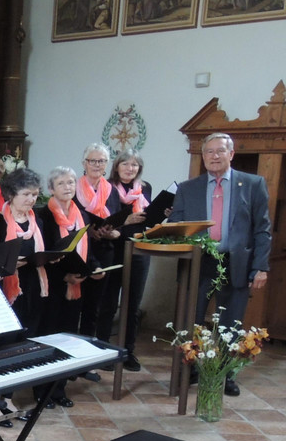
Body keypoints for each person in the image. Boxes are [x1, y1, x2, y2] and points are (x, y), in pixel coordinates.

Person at [170, 132, 271, 397]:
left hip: (236, 263)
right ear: (203, 156)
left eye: (220, 151)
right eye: (209, 152)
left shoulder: (253, 184)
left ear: (231, 154)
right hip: (198, 263)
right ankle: (191, 369)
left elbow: (262, 229)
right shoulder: (187, 188)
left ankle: (226, 374)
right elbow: (176, 226)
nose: (214, 156)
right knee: (192, 321)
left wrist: (261, 267)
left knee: (231, 324)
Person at [0, 168, 47, 426]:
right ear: (11, 194)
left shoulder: (37, 221)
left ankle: (8, 396)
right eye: (26, 194)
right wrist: (8, 265)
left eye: (35, 194)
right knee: (3, 347)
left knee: (22, 346)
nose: (31, 199)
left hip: (32, 289)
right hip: (5, 292)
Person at [39, 166, 104, 409]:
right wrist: (64, 276)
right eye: (61, 183)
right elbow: (43, 253)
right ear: (51, 189)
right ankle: (42, 392)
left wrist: (95, 267)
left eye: (71, 182)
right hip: (54, 285)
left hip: (77, 286)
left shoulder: (82, 215)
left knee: (67, 339)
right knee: (49, 340)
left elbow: (89, 250)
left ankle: (59, 389)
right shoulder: (43, 216)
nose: (68, 187)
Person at [95, 150, 151, 372]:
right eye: (125, 164)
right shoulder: (106, 187)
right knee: (108, 303)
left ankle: (128, 351)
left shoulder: (145, 188)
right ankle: (103, 350)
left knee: (133, 304)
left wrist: (162, 213)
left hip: (138, 250)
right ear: (116, 167)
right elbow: (104, 221)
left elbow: (146, 220)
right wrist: (125, 221)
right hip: (113, 250)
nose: (130, 168)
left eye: (135, 165)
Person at [74, 143, 120, 340]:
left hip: (104, 250)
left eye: (101, 161)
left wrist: (111, 233)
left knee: (96, 304)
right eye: (92, 160)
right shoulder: (73, 188)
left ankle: (91, 345)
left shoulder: (112, 191)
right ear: (84, 163)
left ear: (107, 164)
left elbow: (119, 223)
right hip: (80, 250)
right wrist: (88, 231)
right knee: (76, 302)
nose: (96, 164)